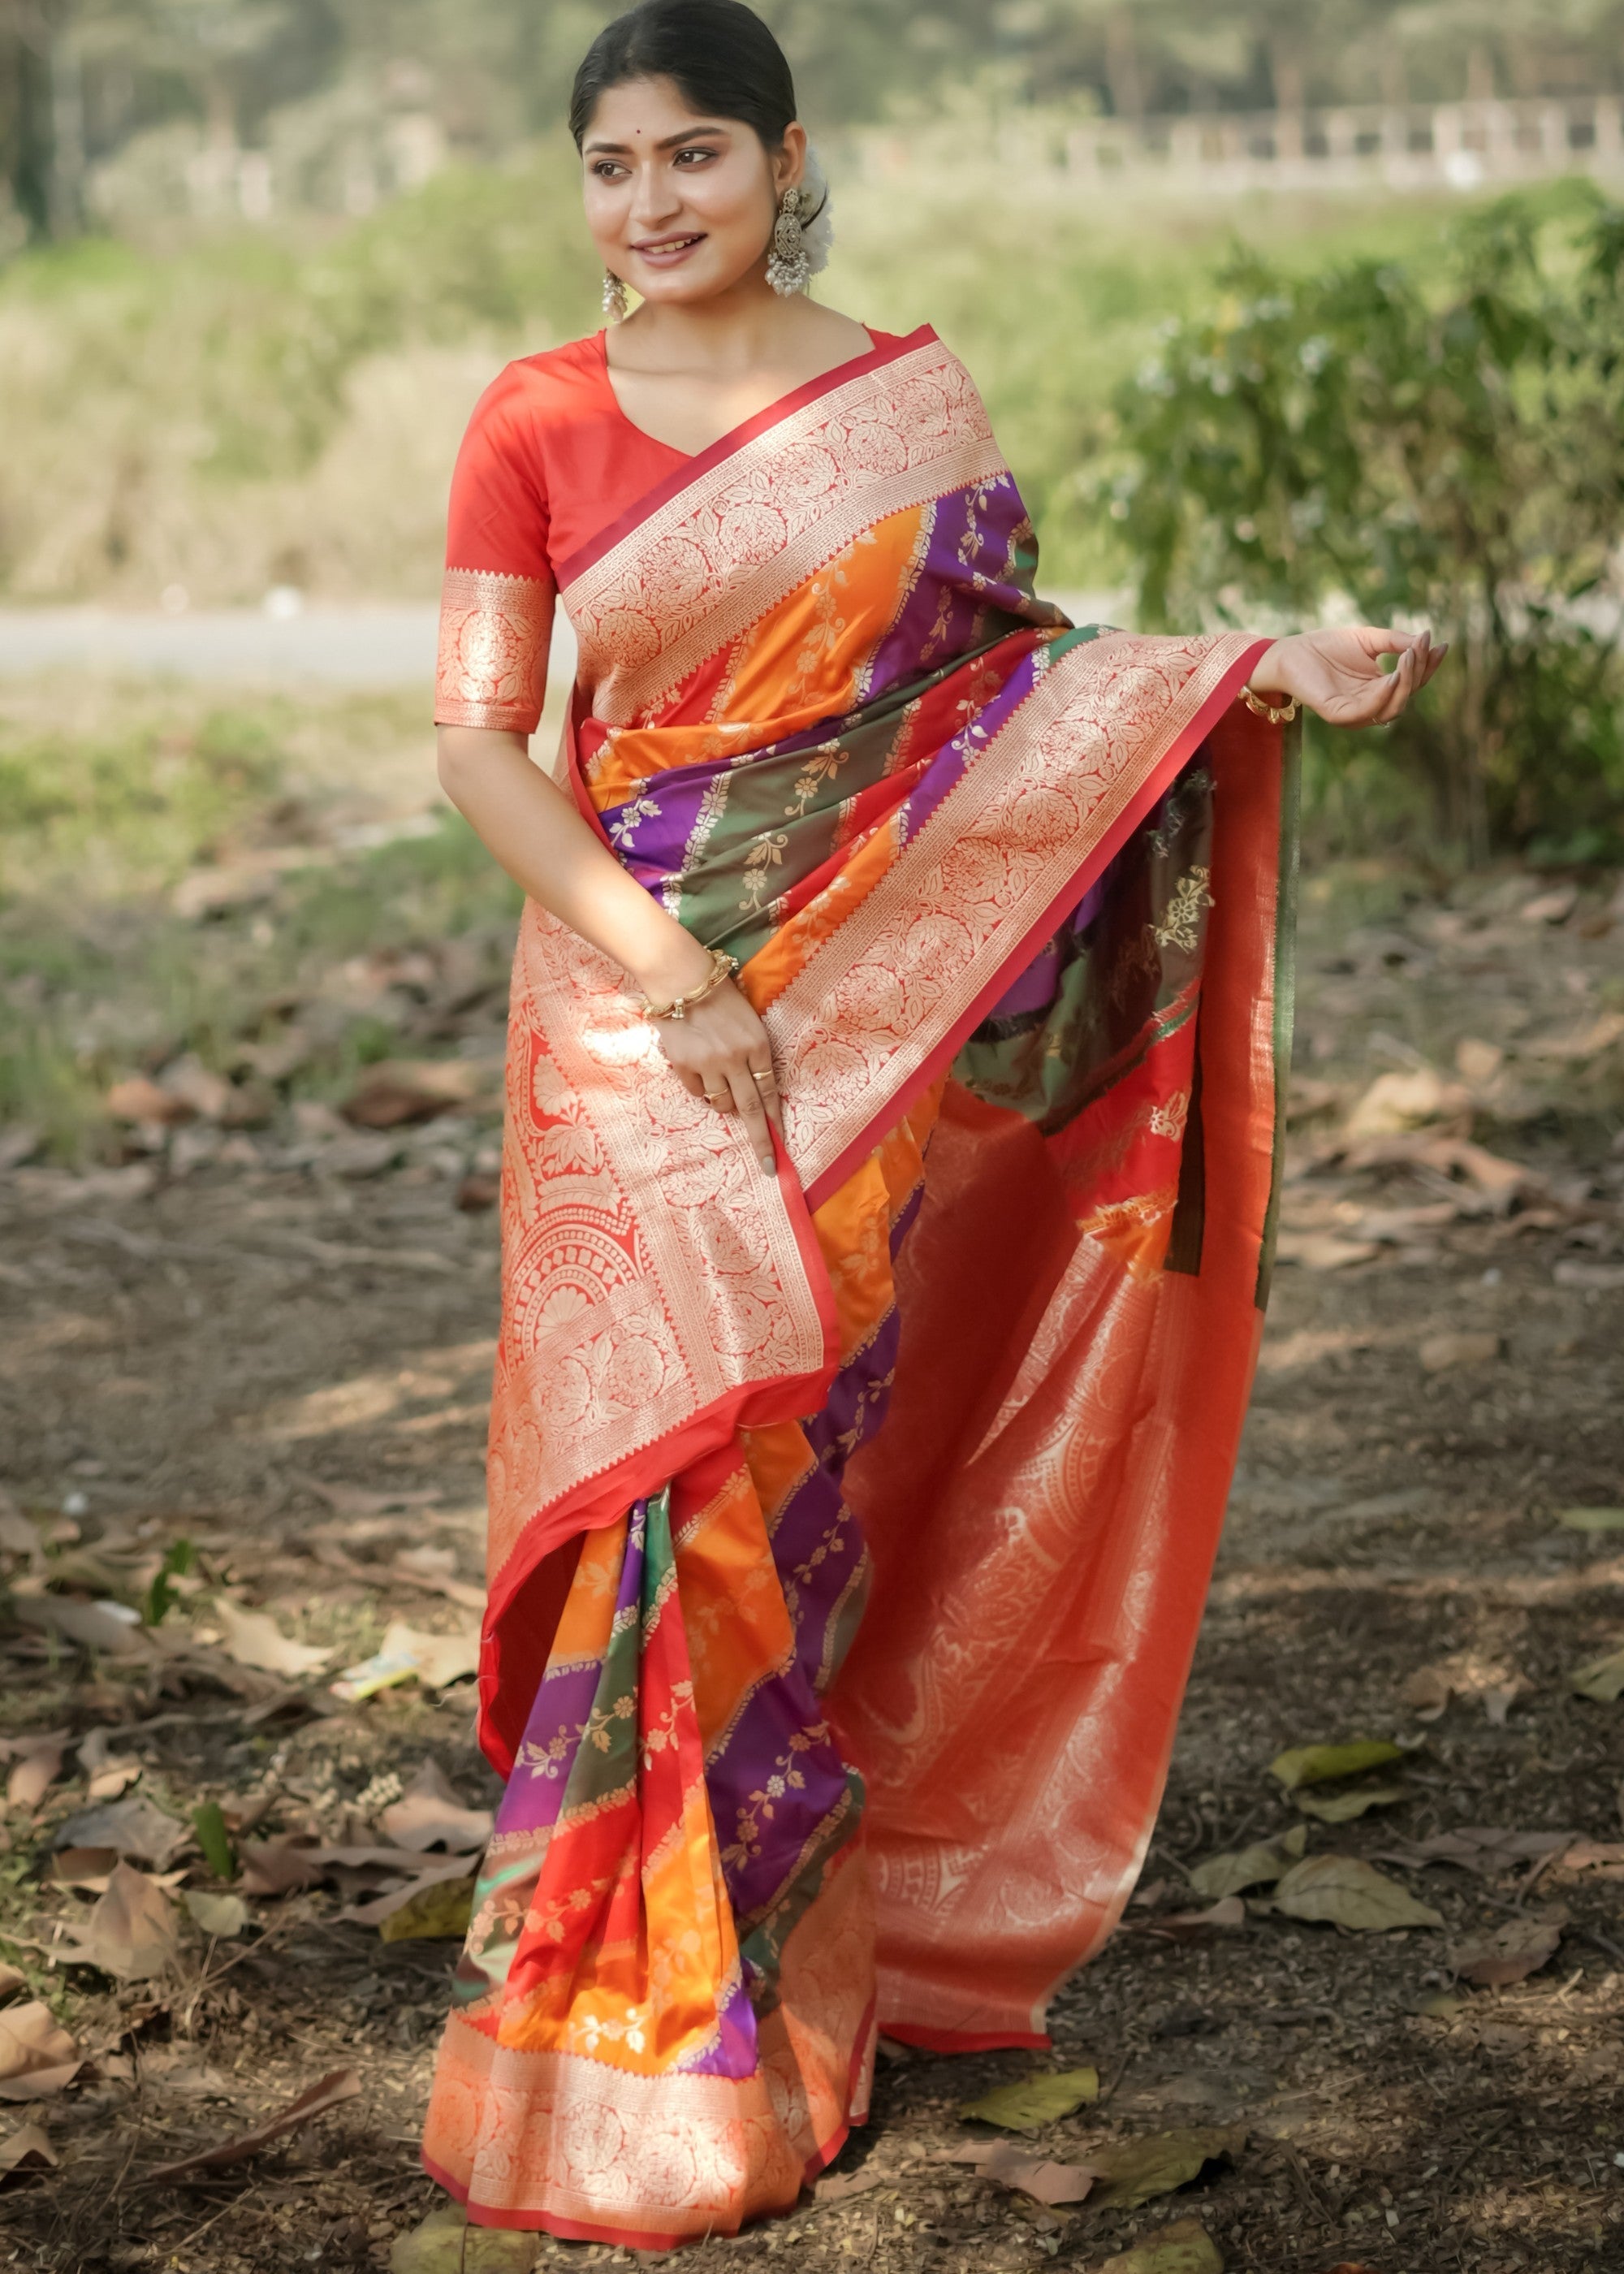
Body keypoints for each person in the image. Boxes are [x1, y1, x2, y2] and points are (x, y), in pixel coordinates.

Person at [424, 0, 1445, 2247]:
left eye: (696, 154)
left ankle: (767, 1986)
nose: (652, 202)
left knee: (789, 1463)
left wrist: (1251, 671)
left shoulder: (905, 403)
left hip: (856, 1008)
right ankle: (615, 2023)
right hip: (625, 1003)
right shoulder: (534, 415)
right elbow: (482, 744)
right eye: (611, 165)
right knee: (656, 1470)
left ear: (787, 160)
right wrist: (671, 970)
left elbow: (1007, 695)